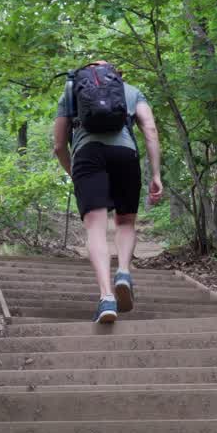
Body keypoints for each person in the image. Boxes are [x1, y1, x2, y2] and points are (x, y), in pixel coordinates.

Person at [53, 60, 163, 323]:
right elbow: (150, 130)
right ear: (117, 74)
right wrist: (156, 174)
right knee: (125, 222)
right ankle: (123, 272)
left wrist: (74, 172)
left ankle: (106, 298)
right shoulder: (131, 91)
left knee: (96, 228)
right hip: (125, 154)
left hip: (87, 155)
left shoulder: (71, 90)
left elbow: (58, 144)